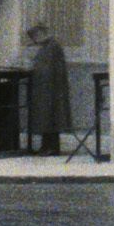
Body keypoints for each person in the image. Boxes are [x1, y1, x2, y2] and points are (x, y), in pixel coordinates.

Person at [23, 23, 72, 154]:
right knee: (45, 119)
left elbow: (49, 68)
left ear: (41, 33)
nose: (34, 40)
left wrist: (33, 67)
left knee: (50, 118)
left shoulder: (53, 46)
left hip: (52, 89)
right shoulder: (46, 47)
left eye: (35, 36)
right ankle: (46, 146)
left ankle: (52, 147)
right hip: (45, 88)